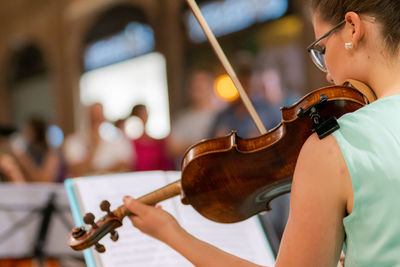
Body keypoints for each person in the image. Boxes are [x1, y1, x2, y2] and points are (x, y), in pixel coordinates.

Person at [123, 1, 400, 266]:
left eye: (323, 48)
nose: (327, 73)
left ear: (353, 27)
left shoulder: (336, 147)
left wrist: (173, 234)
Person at [63, 103, 131, 177]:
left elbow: (125, 165)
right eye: (93, 117)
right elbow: (77, 170)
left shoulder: (118, 138)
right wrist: (94, 146)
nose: (97, 120)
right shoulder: (73, 141)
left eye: (99, 116)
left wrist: (97, 171)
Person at [167, 70, 217, 167]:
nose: (198, 91)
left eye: (201, 87)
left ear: (210, 88)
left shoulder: (221, 116)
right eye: (195, 87)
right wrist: (206, 144)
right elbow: (172, 148)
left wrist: (191, 145)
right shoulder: (182, 118)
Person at [129, 104, 173, 171]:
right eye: (142, 113)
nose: (145, 116)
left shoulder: (159, 142)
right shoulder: (130, 143)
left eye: (145, 113)